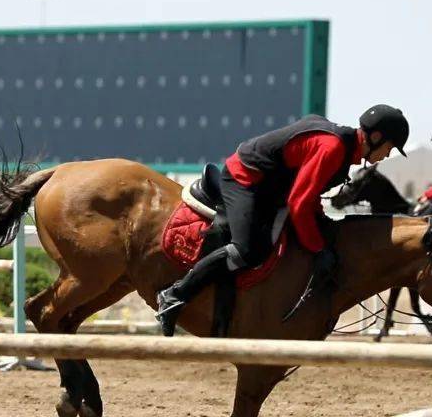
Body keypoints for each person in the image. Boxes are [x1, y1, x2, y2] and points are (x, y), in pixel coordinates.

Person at [156, 105, 410, 336]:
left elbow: (307, 196)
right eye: (391, 147)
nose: (388, 155)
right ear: (376, 137)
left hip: (270, 188)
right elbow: (298, 204)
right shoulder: (332, 148)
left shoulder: (341, 148)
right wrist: (318, 249)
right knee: (249, 251)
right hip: (245, 179)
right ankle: (175, 295)